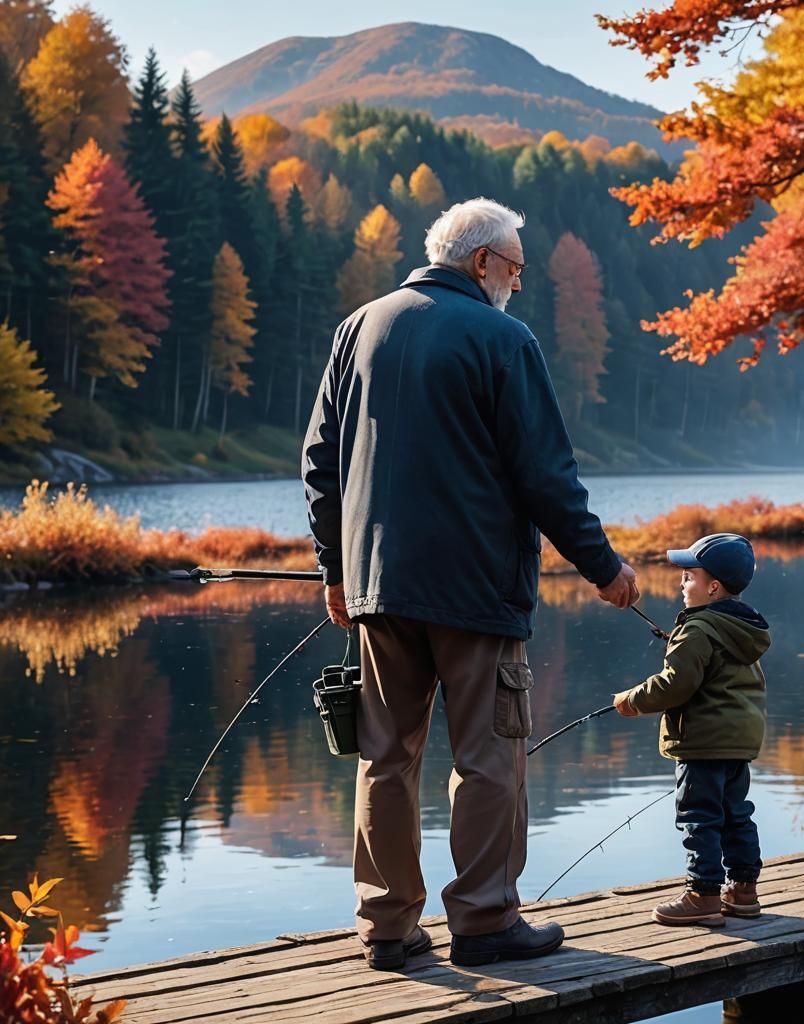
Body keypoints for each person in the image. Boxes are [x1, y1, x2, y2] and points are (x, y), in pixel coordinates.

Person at [302, 197, 639, 971]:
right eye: (515, 269)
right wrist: (605, 568)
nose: (517, 285)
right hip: (478, 594)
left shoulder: (359, 328)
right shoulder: (502, 337)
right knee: (489, 757)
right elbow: (546, 477)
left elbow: (320, 463)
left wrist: (336, 570)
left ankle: (386, 932)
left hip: (378, 589)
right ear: (482, 261)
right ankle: (485, 924)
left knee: (383, 756)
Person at [612, 533, 770, 926]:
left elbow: (674, 684)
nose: (681, 583)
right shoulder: (741, 627)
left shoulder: (698, 629)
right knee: (736, 813)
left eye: (688, 576)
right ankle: (744, 890)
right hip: (738, 743)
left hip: (701, 742)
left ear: (712, 586)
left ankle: (703, 894)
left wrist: (632, 700)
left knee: (698, 815)